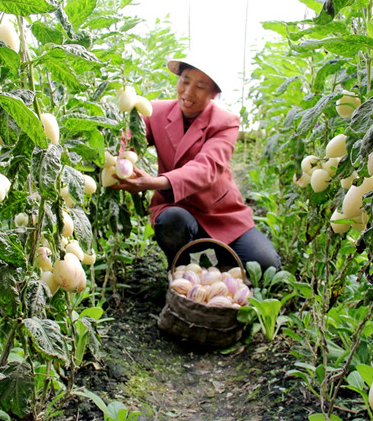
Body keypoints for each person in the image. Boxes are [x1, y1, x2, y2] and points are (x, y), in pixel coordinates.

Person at [111, 57, 281, 273]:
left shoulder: (225, 122)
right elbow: (129, 137)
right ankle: (180, 273)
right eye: (185, 81)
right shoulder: (156, 112)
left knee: (266, 267)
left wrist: (154, 182)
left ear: (213, 94)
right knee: (172, 221)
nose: (188, 92)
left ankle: (224, 263)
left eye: (200, 87)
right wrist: (118, 158)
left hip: (220, 211)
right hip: (176, 207)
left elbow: (206, 167)